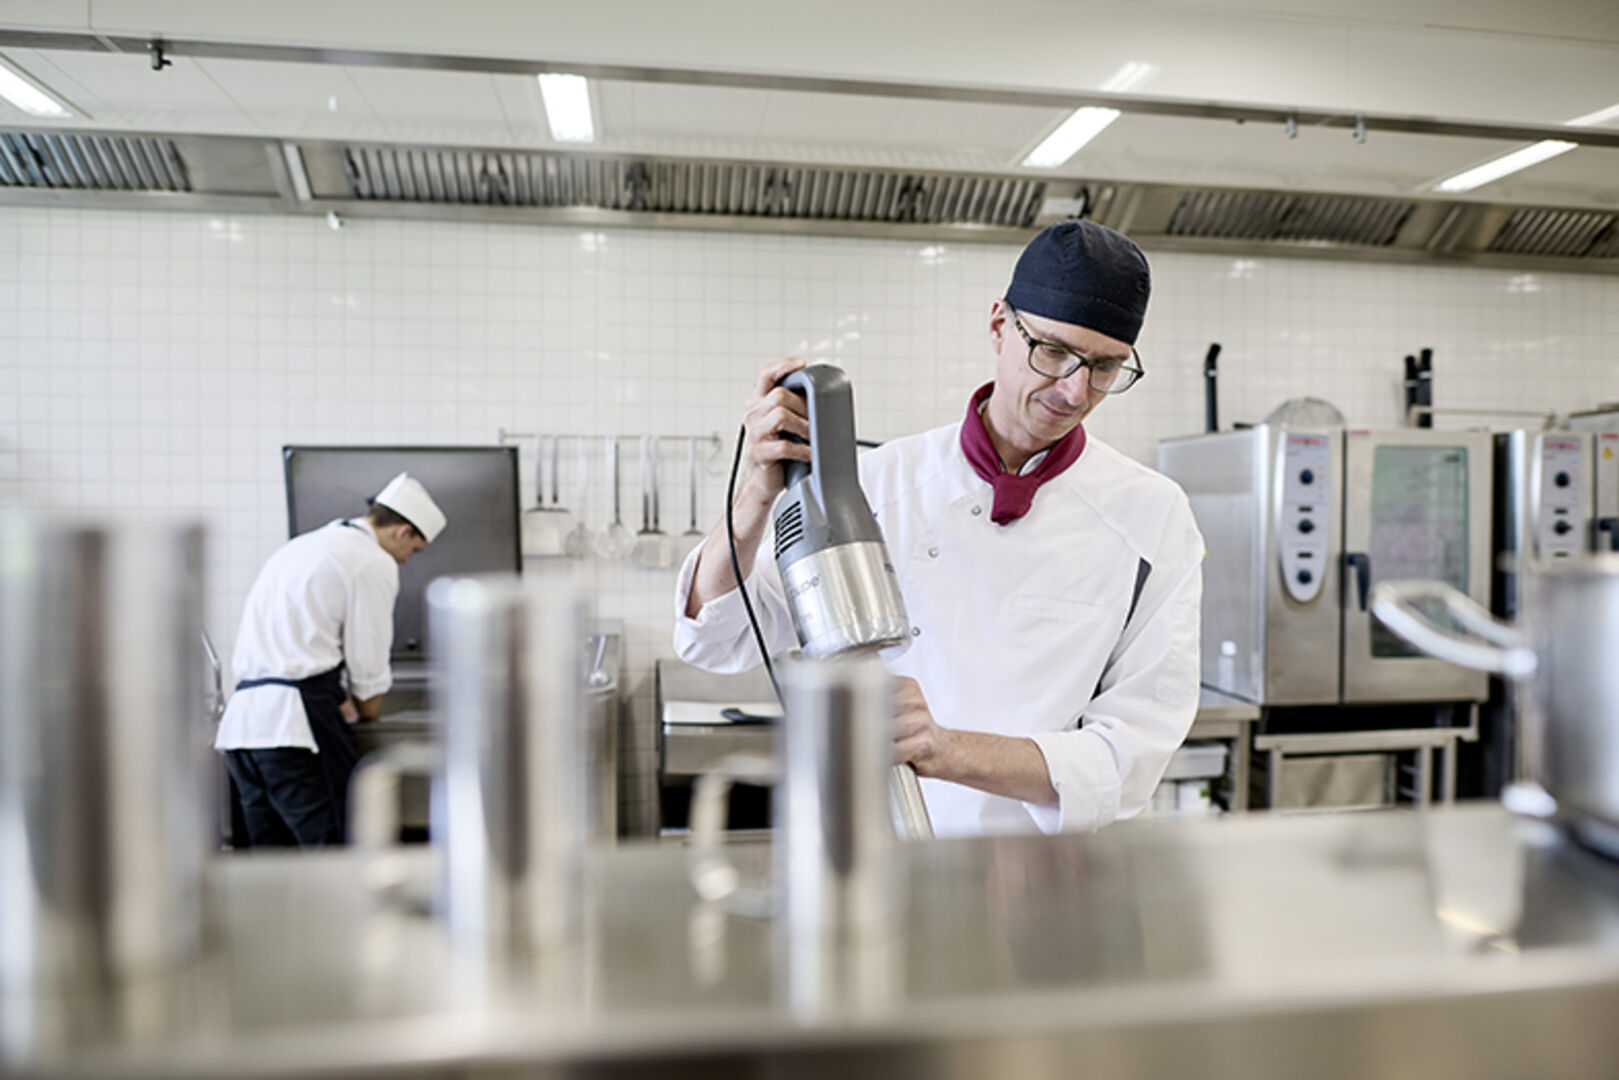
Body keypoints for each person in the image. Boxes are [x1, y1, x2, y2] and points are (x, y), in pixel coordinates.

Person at [673, 221, 1204, 837]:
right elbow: (715, 640)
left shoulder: (1152, 515)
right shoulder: (873, 484)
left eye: (1106, 368)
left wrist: (944, 748)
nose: (1074, 390)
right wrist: (754, 498)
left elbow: (1129, 761)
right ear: (1000, 325)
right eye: (1053, 352)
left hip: (1040, 881)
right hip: (876, 858)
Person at [214, 472, 447, 847]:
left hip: (243, 729)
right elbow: (367, 662)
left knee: (268, 864)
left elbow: (299, 645)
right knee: (334, 854)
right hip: (295, 730)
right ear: (403, 531)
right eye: (414, 550)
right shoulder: (371, 560)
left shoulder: (304, 546)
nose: (407, 562)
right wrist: (367, 712)